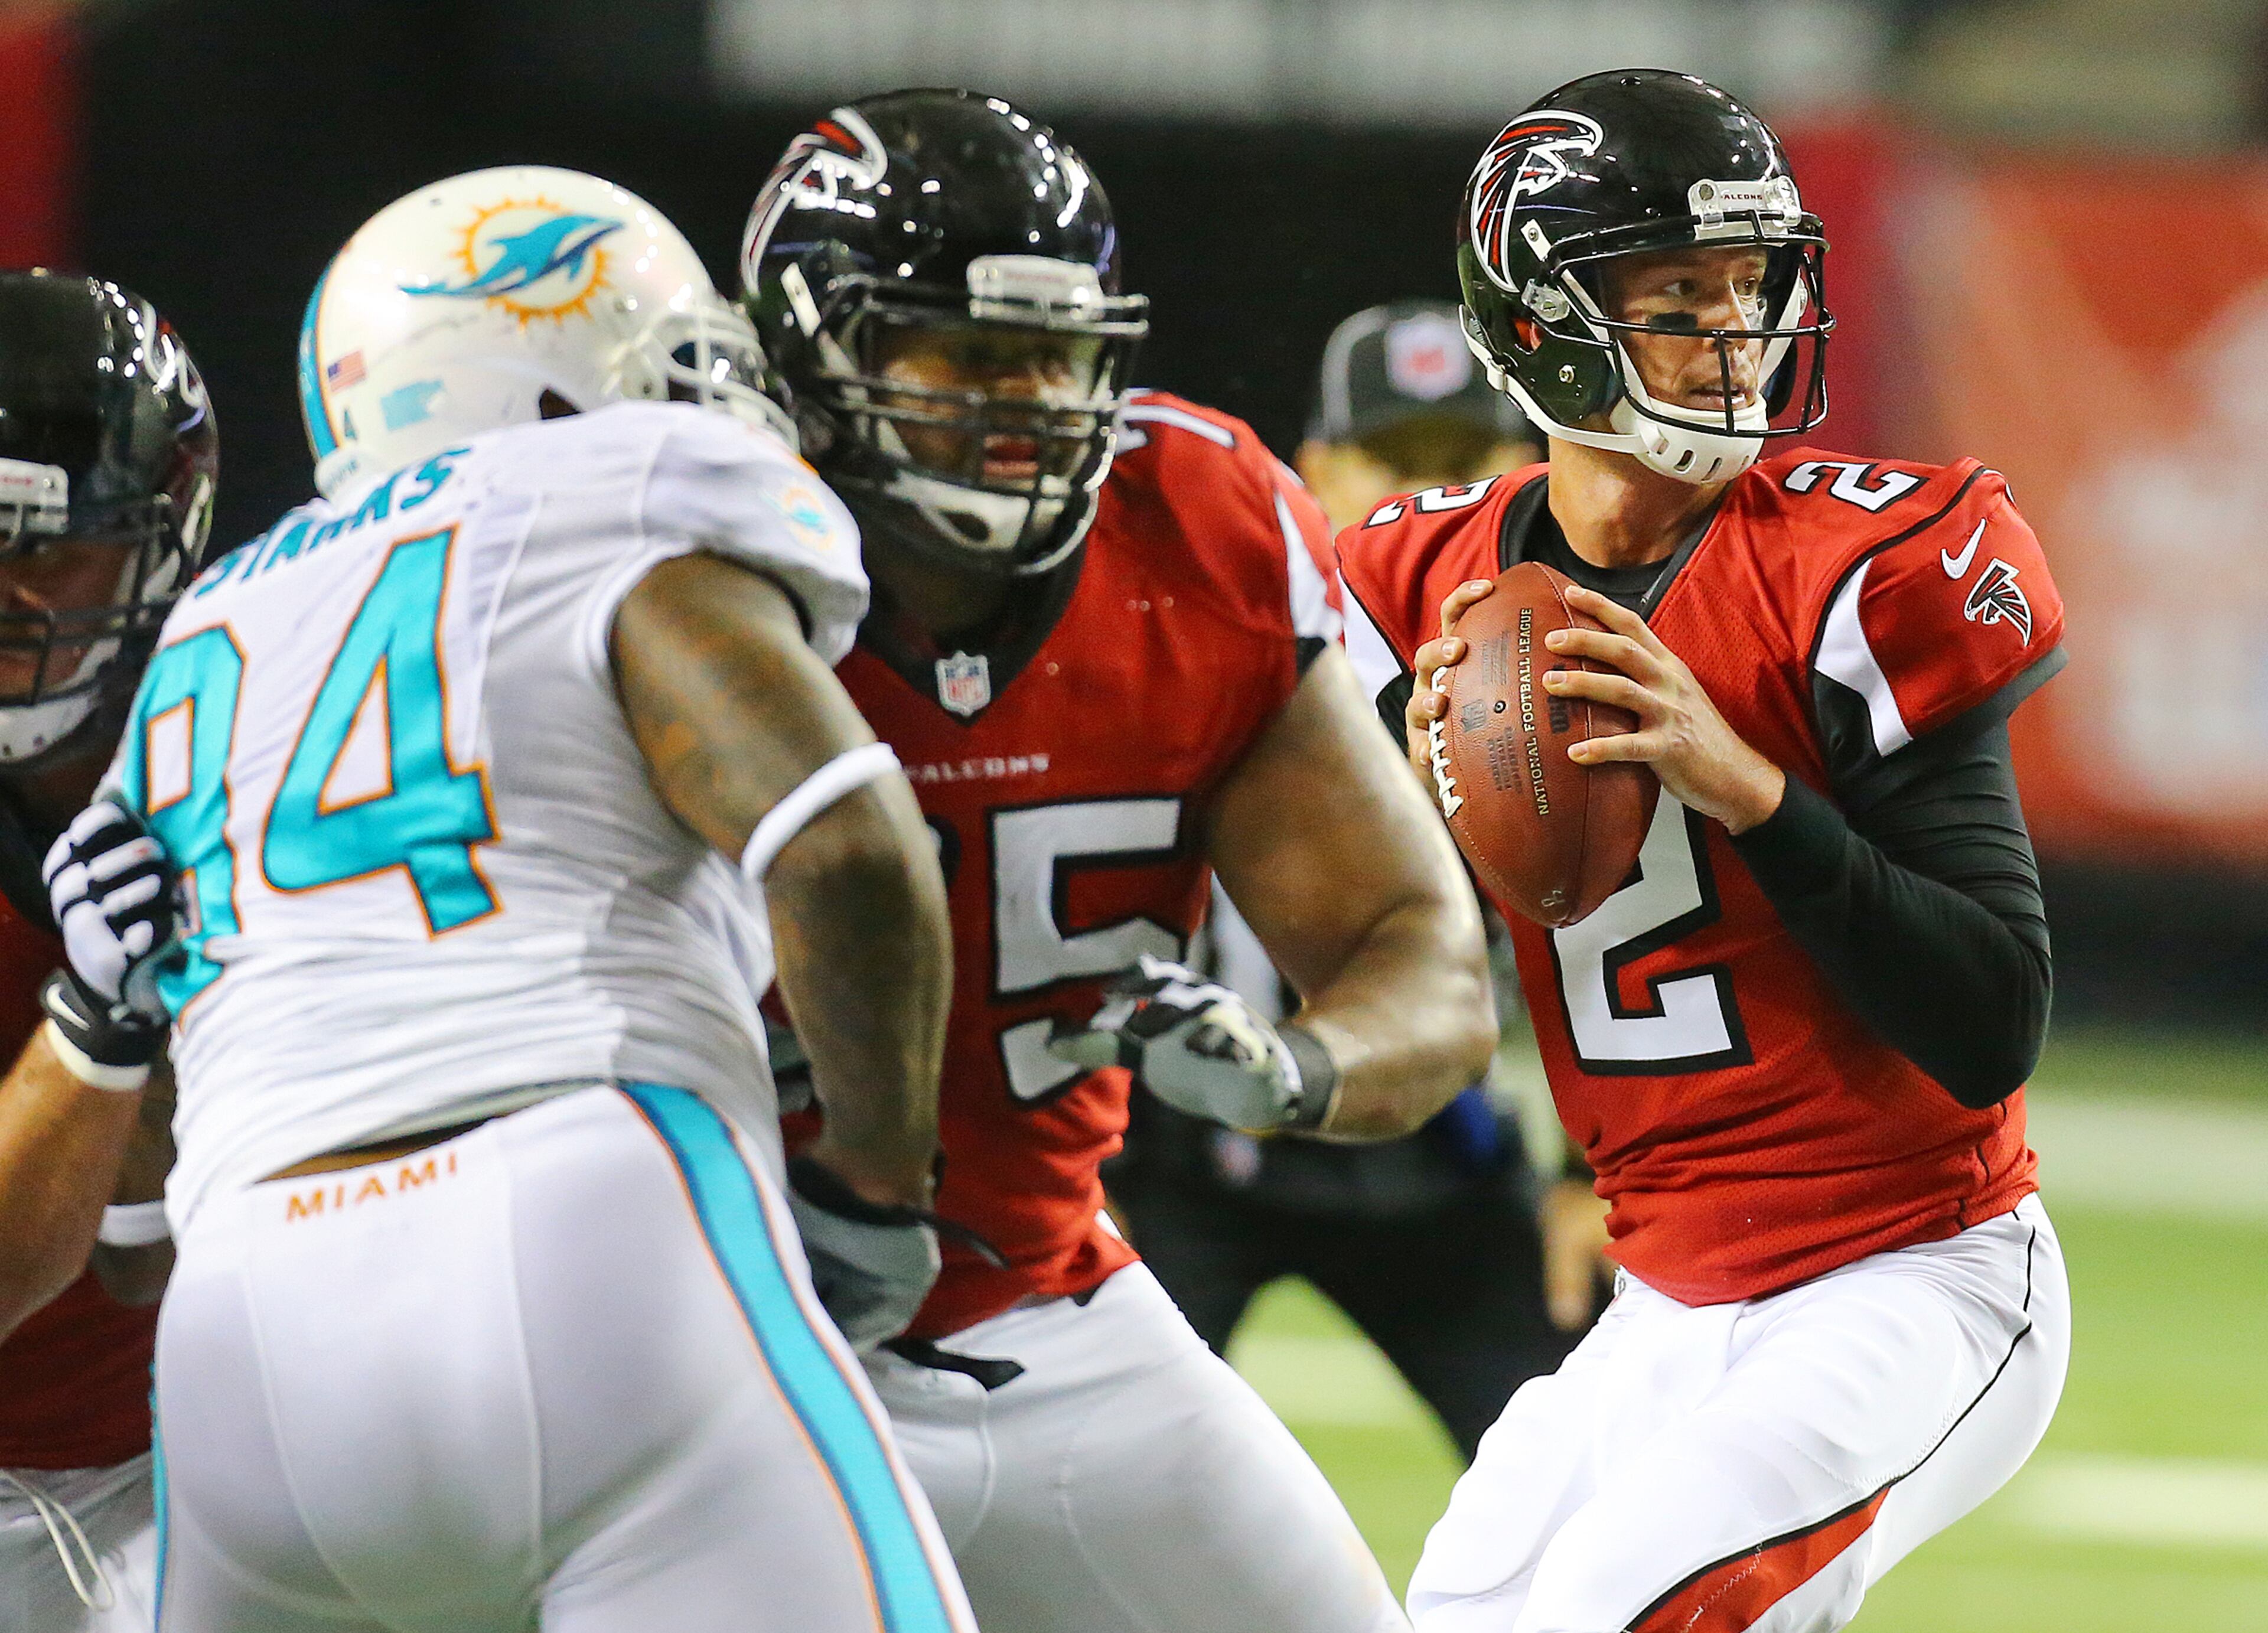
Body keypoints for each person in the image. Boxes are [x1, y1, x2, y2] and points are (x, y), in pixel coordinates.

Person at [106, 164, 975, 1632]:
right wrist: (880, 1193)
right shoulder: (609, 486)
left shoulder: (212, 622)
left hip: (243, 1327)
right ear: (549, 376)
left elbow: (143, 1155)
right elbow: (839, 842)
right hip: (578, 1208)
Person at [740, 90, 1495, 1633]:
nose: (1021, 403)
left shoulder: (1198, 521)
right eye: (961, 353)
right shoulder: (691, 544)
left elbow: (1418, 949)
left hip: (1044, 1291)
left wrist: (1295, 1068)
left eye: (1058, 356)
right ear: (817, 352)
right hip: (709, 1314)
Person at [1335, 70, 2071, 1633]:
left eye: (1749, 289)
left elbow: (1993, 1013)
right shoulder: (1426, 584)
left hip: (1914, 1268)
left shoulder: (1856, 570)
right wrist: (1406, 811)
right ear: (1537, 326)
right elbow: (1363, 931)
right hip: (1669, 1289)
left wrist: (1752, 790)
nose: (1735, 336)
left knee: (1630, 1607)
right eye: (1679, 295)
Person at [1106, 298, 1569, 1462]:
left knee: (1604, 1473)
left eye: (1463, 462)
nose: (1427, 495)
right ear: (1315, 469)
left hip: (1436, 1153)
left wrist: (1596, 1176)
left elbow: (1646, 940)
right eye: (1393, 462)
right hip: (1182, 1150)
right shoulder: (1209, 620)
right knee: (1074, 1464)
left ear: (1526, 467)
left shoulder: (1568, 657)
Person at [0, 269, 215, 1633]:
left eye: (50, 550)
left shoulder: (260, 731)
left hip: (216, 1453)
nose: (10, 600)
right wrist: (95, 1031)